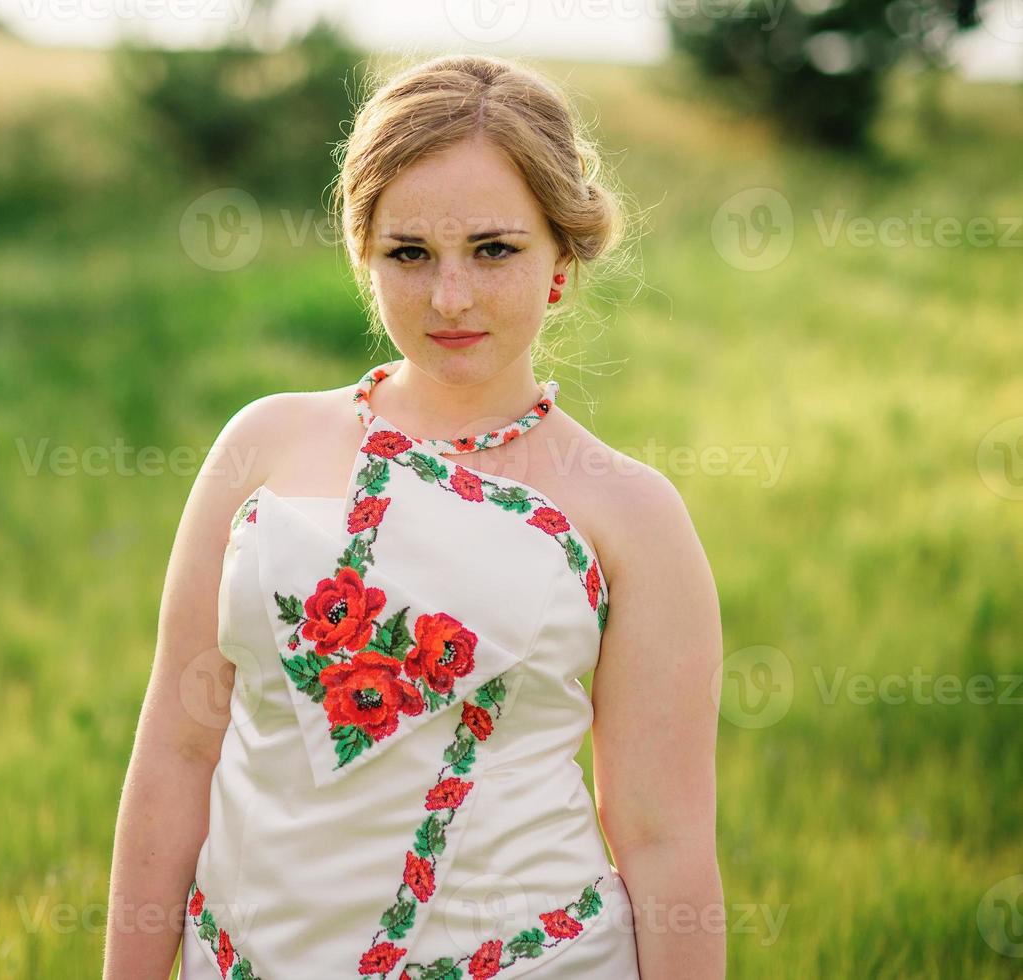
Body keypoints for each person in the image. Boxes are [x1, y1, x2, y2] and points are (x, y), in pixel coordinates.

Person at [106, 53, 725, 979]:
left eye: (494, 249)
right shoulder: (261, 445)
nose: (450, 298)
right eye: (409, 253)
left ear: (562, 259)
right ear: (364, 256)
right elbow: (177, 749)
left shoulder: (631, 515)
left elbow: (662, 841)